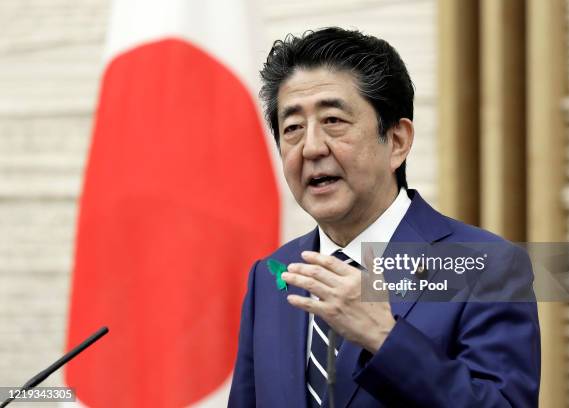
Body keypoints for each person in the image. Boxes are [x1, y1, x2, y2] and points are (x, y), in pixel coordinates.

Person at [228, 27, 540, 407]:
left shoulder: (487, 268)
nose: (310, 147)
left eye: (333, 121)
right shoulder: (271, 276)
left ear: (397, 142)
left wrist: (386, 339)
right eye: (292, 128)